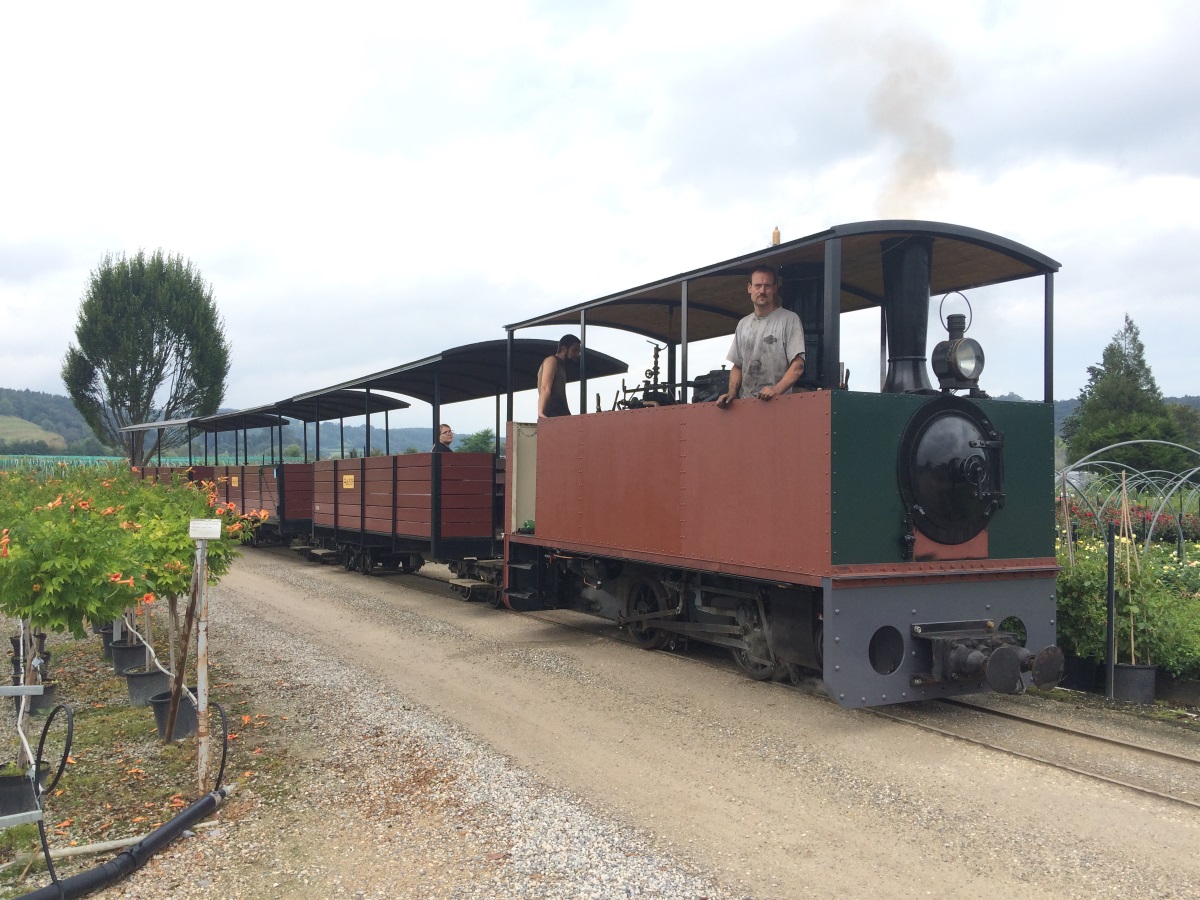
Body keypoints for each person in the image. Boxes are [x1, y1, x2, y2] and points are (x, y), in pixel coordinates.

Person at [715, 266, 805, 408]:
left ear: (775, 288)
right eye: (758, 286)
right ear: (749, 288)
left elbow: (798, 366)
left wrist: (775, 391)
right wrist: (731, 393)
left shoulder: (789, 319)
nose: (762, 291)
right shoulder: (743, 324)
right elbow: (737, 366)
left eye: (767, 286)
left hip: (779, 406)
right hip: (747, 406)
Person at [537, 334, 581, 418]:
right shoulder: (552, 361)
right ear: (564, 349)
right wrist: (540, 412)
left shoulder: (561, 366)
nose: (577, 354)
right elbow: (545, 388)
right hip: (553, 417)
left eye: (578, 351)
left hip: (562, 416)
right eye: (574, 350)